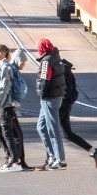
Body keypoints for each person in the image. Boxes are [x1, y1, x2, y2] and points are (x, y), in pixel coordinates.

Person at [53, 51, 97, 167]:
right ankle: (94, 151)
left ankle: (55, 159)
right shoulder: (65, 68)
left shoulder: (62, 70)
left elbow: (65, 89)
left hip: (62, 104)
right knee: (68, 134)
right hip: (66, 104)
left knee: (51, 131)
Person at [34, 39, 68, 170]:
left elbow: (44, 79)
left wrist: (41, 94)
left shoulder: (47, 61)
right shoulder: (56, 58)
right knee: (41, 127)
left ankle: (60, 159)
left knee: (53, 129)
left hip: (49, 98)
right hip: (56, 96)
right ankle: (52, 156)